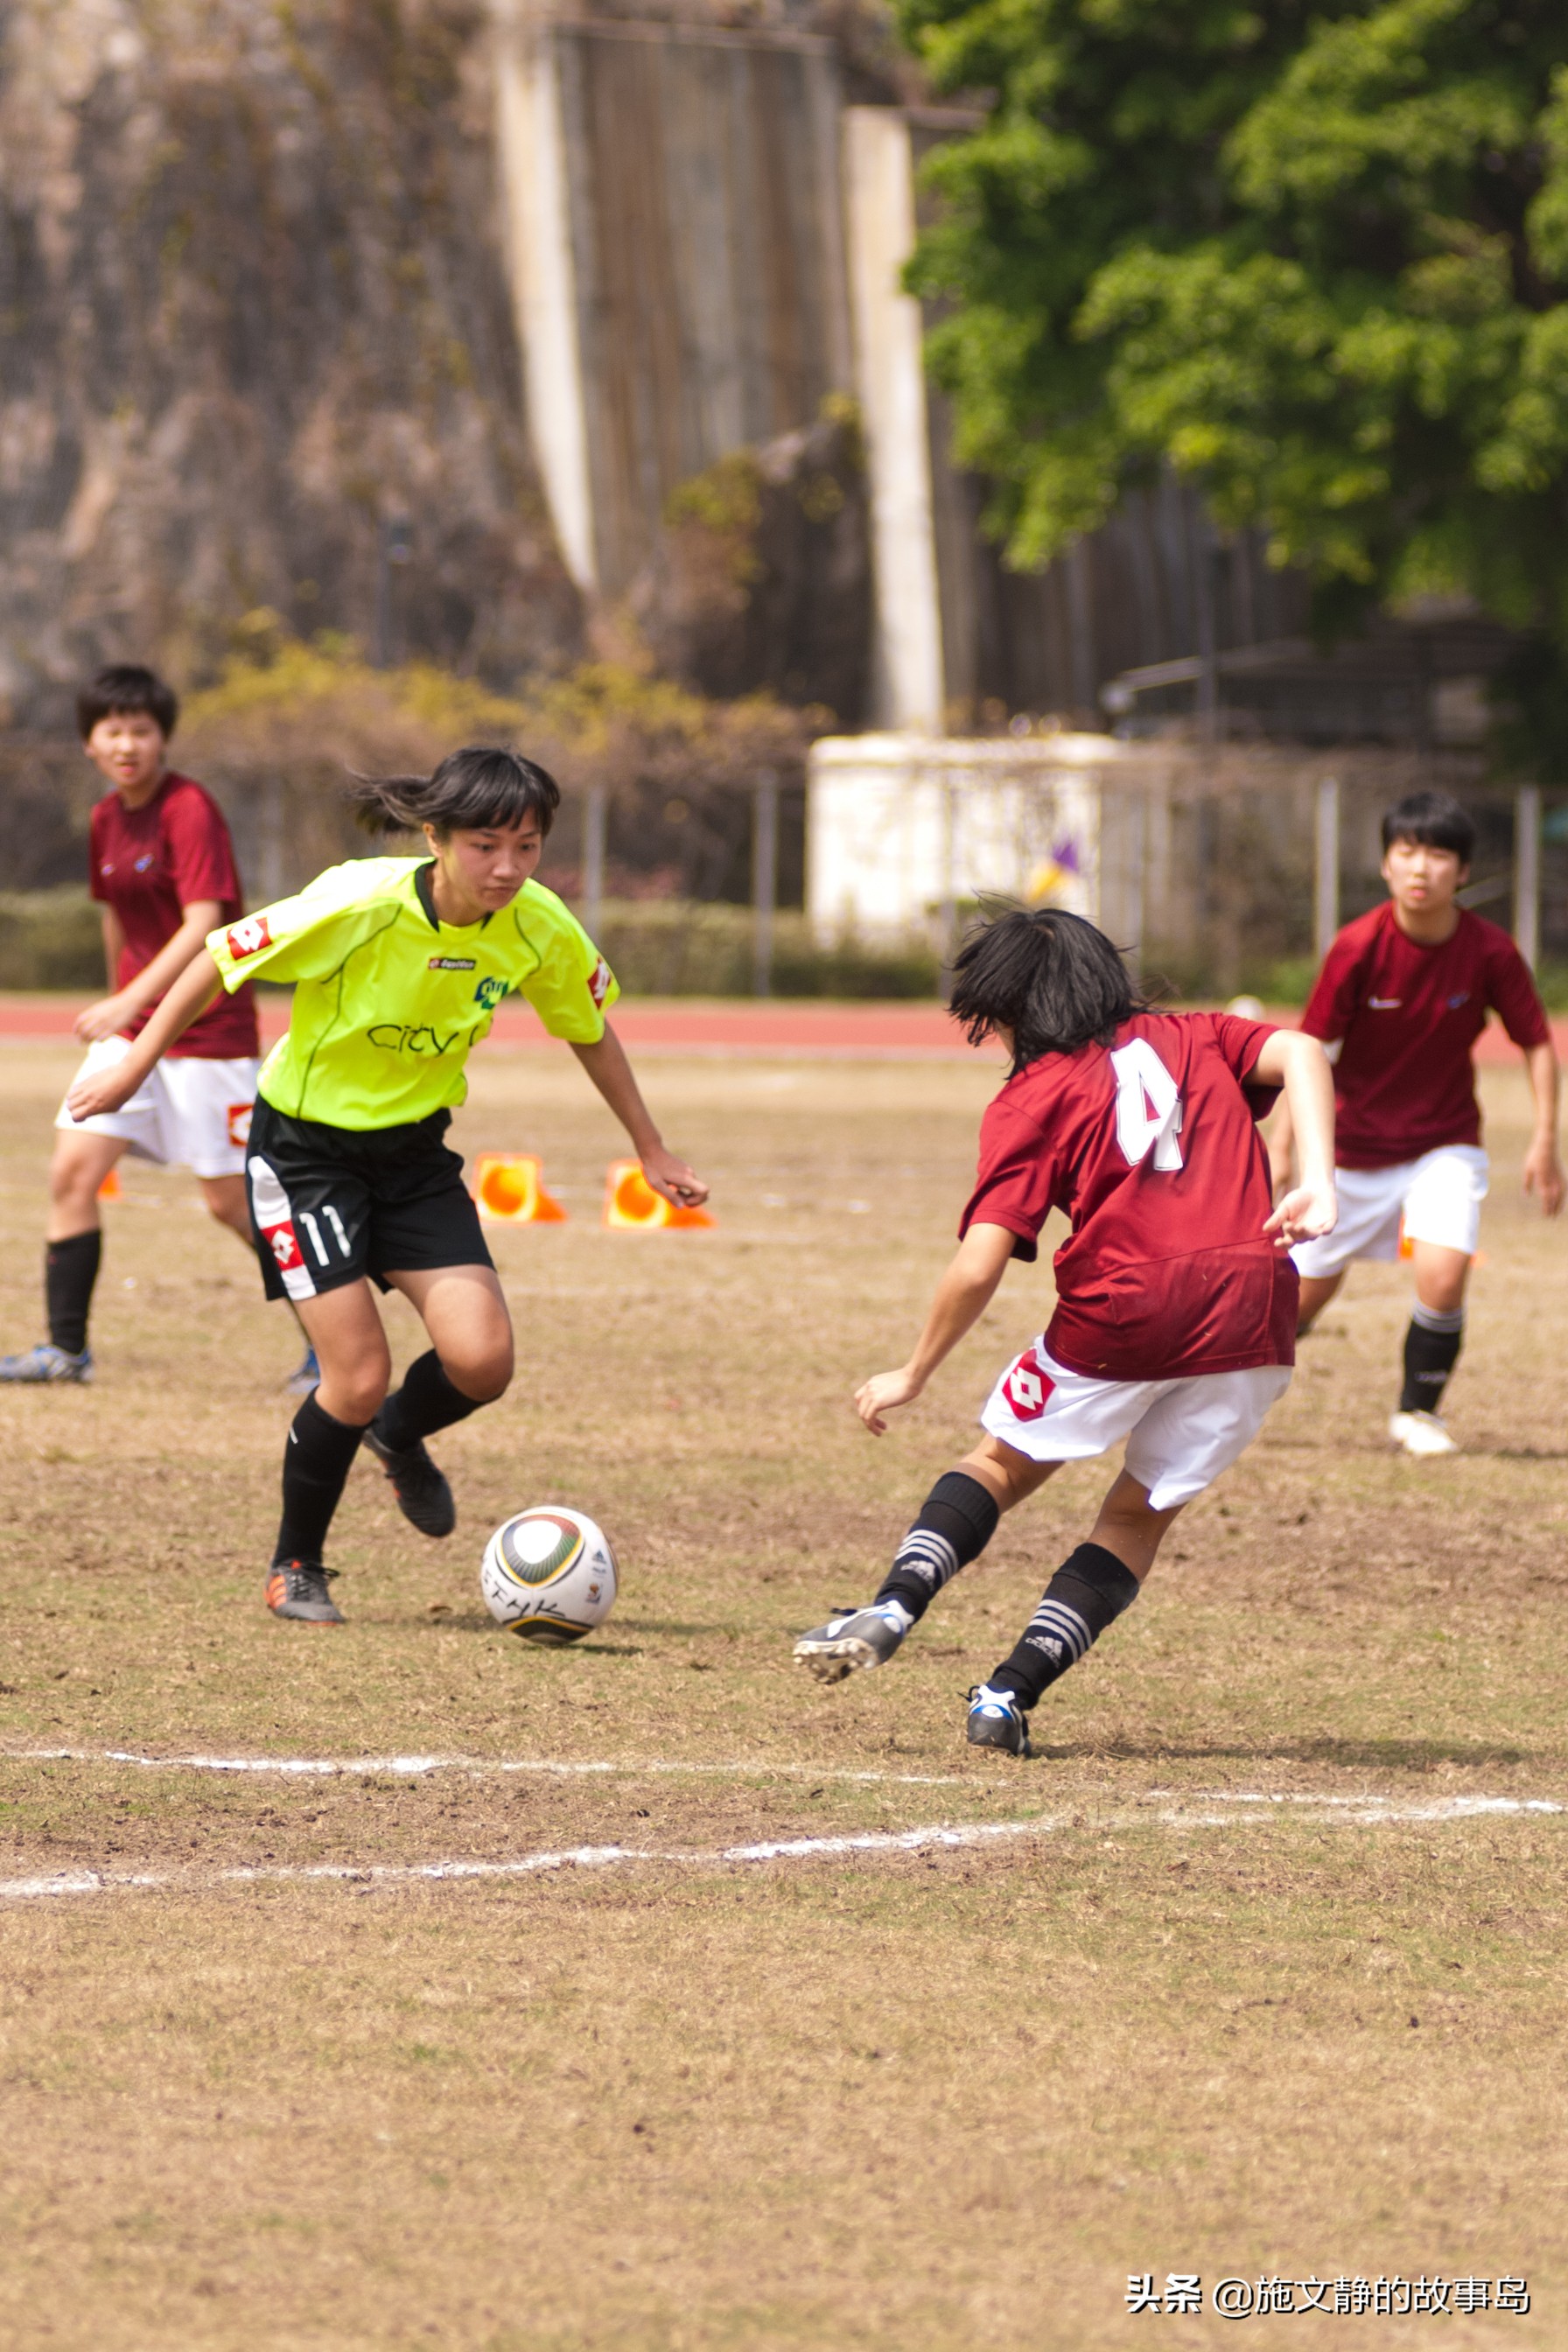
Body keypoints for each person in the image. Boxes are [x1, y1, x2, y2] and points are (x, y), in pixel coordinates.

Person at [65, 744, 707, 1625]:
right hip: (304, 1155)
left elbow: (588, 1026)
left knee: (483, 1361)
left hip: (413, 1158)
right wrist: (137, 1063)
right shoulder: (359, 902)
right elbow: (220, 955)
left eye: (527, 846)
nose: (508, 868)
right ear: (435, 839)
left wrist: (650, 1146)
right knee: (355, 1372)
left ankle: (396, 1435)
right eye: (486, 846)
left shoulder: (539, 924)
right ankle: (296, 1564)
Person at [793, 906, 1335, 1757]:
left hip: (1127, 1309)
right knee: (1134, 1517)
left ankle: (895, 1602)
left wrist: (913, 1370)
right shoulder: (1193, 1033)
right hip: (1254, 1303)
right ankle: (1007, 1696)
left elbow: (977, 1266)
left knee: (999, 1465)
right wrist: (1320, 1184)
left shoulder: (1031, 1094)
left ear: (1006, 1009)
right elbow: (1302, 1048)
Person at [0, 664, 315, 1392]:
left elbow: (208, 922)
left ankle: (332, 1350)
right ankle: (65, 1352)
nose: (128, 743)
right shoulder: (106, 818)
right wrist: (120, 1004)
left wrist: (130, 1003)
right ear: (89, 743)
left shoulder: (190, 808)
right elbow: (116, 914)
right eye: (112, 730)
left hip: (208, 1034)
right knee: (72, 1174)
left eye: (142, 729)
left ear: (163, 737)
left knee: (233, 1204)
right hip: (130, 1029)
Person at [1270, 789, 1562, 1458]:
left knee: (1443, 1273)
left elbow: (1538, 1043)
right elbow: (1307, 1052)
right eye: (1407, 851)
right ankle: (1232, 1384)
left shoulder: (1489, 951)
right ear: (1385, 864)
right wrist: (1286, 1147)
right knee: (1296, 1304)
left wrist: (1546, 1137)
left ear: (1462, 871)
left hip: (1444, 1142)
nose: (1421, 867)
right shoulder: (1357, 948)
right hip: (1350, 1150)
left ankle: (1418, 1413)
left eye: (1439, 854)